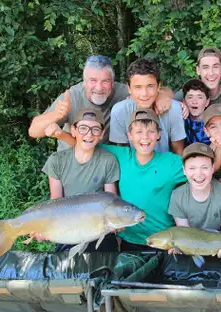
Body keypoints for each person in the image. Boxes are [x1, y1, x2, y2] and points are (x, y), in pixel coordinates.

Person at [28, 55, 178, 151]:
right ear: (84, 80)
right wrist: (55, 114)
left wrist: (162, 96)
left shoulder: (122, 91)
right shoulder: (71, 96)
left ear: (112, 82)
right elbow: (33, 131)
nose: (99, 88)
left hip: (105, 160)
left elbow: (150, 90)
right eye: (93, 81)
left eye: (105, 81)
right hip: (71, 159)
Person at [29, 108, 121, 252]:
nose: (89, 134)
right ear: (73, 130)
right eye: (83, 128)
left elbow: (112, 200)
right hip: (67, 227)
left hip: (99, 231)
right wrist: (43, 228)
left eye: (95, 129)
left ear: (102, 134)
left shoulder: (108, 160)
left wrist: (116, 221)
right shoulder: (57, 160)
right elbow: (55, 201)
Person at [100, 108, 188, 251]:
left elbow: (203, 167)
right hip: (129, 239)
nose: (145, 137)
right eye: (139, 132)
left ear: (159, 134)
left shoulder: (171, 162)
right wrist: (60, 133)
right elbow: (88, 143)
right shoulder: (122, 156)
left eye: (151, 132)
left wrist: (220, 146)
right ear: (129, 135)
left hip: (163, 239)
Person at [168, 142, 221, 258]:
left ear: (212, 168)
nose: (199, 174)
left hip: (219, 250)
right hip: (192, 251)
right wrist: (180, 248)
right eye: (192, 168)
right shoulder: (177, 196)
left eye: (204, 167)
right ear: (184, 170)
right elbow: (184, 234)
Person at [109, 58, 186, 156]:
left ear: (158, 86)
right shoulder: (119, 111)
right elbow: (122, 154)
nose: (144, 94)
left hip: (166, 165)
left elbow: (178, 153)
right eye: (138, 87)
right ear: (129, 88)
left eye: (150, 86)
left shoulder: (173, 109)